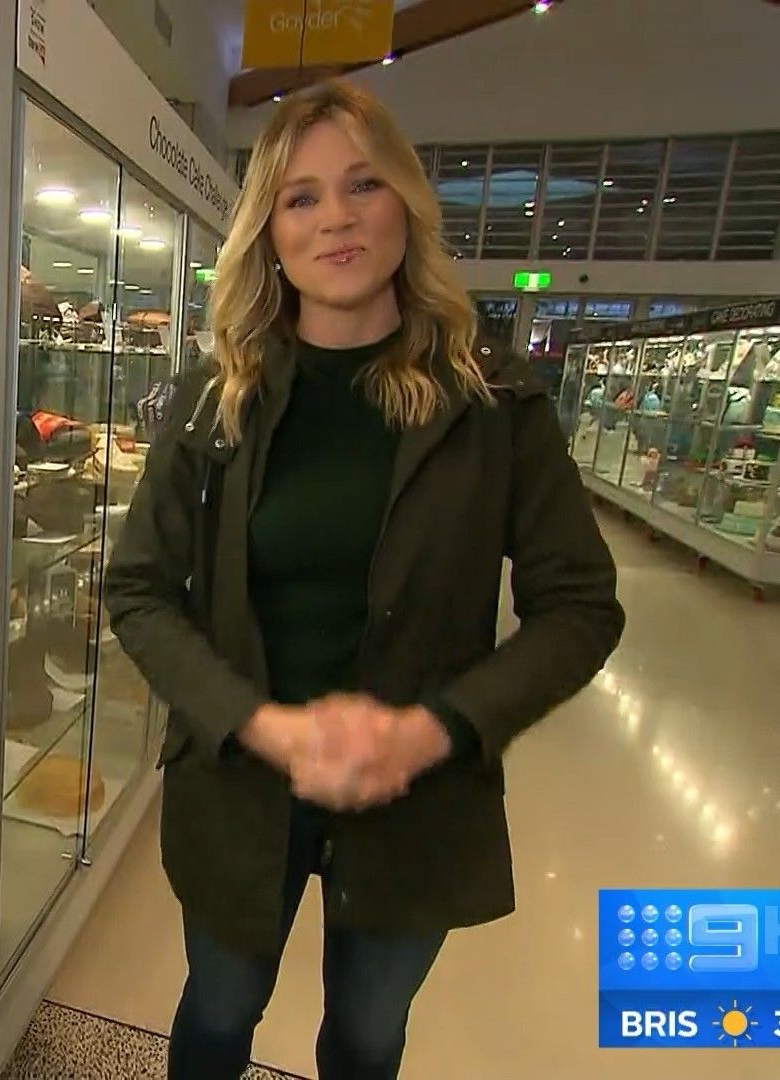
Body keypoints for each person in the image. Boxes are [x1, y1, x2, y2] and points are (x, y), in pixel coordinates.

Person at [103, 78, 624, 1080]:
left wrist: (432, 731)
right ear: (270, 232)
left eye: (362, 184)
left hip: (416, 798)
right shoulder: (217, 397)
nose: (335, 217)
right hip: (239, 783)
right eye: (300, 197)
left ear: (406, 205)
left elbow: (581, 608)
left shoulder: (493, 404)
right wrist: (260, 723)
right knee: (219, 1009)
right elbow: (138, 588)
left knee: (368, 1034)